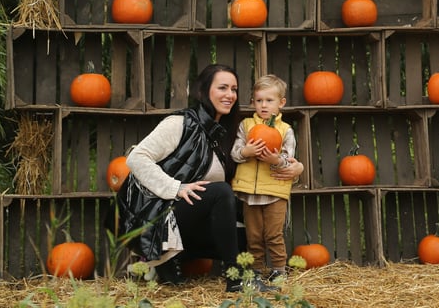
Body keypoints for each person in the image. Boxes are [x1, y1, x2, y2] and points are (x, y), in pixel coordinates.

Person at [119, 64, 303, 292]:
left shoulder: (223, 133)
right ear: (204, 91)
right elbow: (136, 158)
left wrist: (296, 169)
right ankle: (236, 281)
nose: (230, 95)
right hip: (159, 218)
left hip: (188, 222)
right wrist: (176, 187)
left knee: (244, 223)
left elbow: (246, 174)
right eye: (222, 87)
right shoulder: (180, 123)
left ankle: (170, 260)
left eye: (234, 89)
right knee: (220, 191)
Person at [231, 74, 299, 282]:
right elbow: (235, 153)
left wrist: (276, 159)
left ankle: (279, 269)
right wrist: (246, 151)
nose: (263, 105)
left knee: (273, 234)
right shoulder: (246, 126)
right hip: (250, 193)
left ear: (281, 103)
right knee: (253, 237)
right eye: (259, 100)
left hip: (275, 191)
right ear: (253, 102)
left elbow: (289, 160)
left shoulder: (285, 130)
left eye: (269, 101)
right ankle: (257, 271)